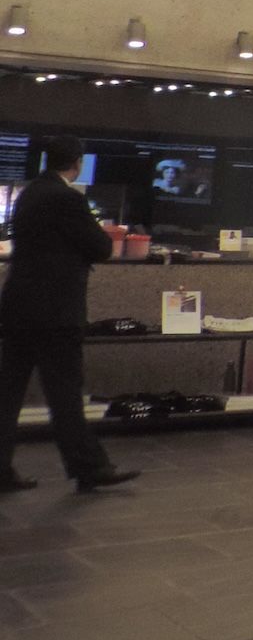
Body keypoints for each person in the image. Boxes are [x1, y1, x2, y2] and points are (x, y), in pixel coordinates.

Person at [0, 136, 140, 494]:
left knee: (8, 393)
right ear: (77, 163)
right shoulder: (69, 199)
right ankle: (88, 467)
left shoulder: (29, 194)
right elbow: (101, 247)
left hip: (18, 307)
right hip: (56, 313)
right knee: (64, 394)